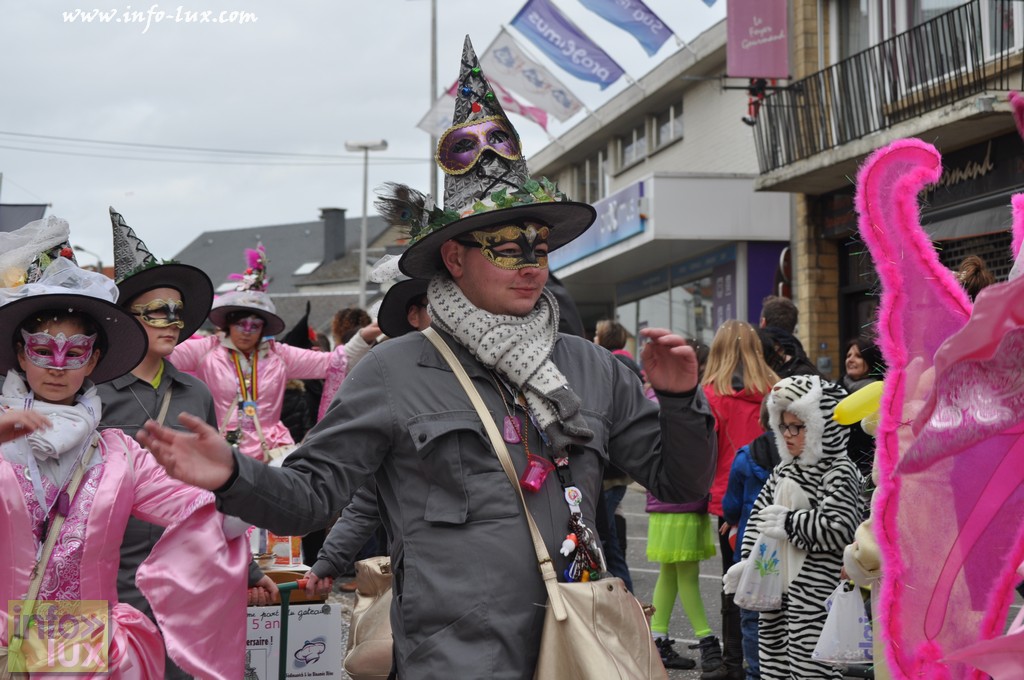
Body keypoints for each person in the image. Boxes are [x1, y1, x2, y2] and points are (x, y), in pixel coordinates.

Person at [138, 36, 717, 680]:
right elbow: (310, 498)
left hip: (580, 647)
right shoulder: (393, 370)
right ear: (454, 258)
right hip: (457, 659)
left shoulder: (588, 364)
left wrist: (679, 401)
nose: (530, 262)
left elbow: (678, 484)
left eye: (538, 244)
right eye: (505, 245)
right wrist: (232, 476)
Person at [0, 217, 247, 678]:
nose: (58, 367)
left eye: (74, 353)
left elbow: (200, 511)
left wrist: (235, 478)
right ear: (20, 354)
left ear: (93, 359)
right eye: (41, 350)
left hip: (88, 654)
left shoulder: (119, 455)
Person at [97, 208, 276, 677]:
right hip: (107, 576)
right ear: (126, 318)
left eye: (178, 312)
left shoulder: (195, 391)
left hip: (186, 576)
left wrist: (251, 571)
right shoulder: (89, 395)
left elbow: (217, 485)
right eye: (158, 311)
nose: (173, 321)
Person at [167, 243, 380, 462]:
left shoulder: (279, 355)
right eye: (241, 324)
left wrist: (364, 337)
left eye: (255, 325)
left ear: (264, 327)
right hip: (218, 450)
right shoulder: (207, 349)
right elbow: (159, 355)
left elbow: (335, 362)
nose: (247, 331)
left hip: (273, 452)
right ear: (229, 323)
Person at [724, 375, 863, 680]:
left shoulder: (839, 470)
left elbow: (839, 527)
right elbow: (758, 520)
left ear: (819, 426)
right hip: (773, 587)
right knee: (773, 666)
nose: (787, 434)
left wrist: (788, 522)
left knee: (812, 669)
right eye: (782, 426)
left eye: (796, 427)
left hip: (815, 594)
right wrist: (747, 561)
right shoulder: (783, 469)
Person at [702, 319, 780, 680]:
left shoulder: (711, 396)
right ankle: (774, 659)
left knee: (733, 582)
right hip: (778, 498)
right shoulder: (776, 390)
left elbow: (704, 452)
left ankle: (734, 662)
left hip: (731, 502)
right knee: (778, 580)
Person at [722, 396, 781, 680]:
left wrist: (731, 520)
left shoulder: (746, 456)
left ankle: (756, 672)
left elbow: (731, 505)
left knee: (752, 616)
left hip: (752, 546)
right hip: (786, 548)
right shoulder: (798, 457)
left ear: (761, 419)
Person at [591, 318, 640, 593]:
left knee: (606, 543)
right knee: (610, 539)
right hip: (619, 467)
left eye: (598, 334)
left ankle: (626, 603)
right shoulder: (628, 364)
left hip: (609, 468)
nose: (594, 339)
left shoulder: (607, 364)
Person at [840, 337, 885, 483]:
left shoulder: (884, 392)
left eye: (858, 356)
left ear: (870, 359)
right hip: (841, 471)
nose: (851, 360)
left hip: (870, 470)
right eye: (848, 355)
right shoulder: (836, 390)